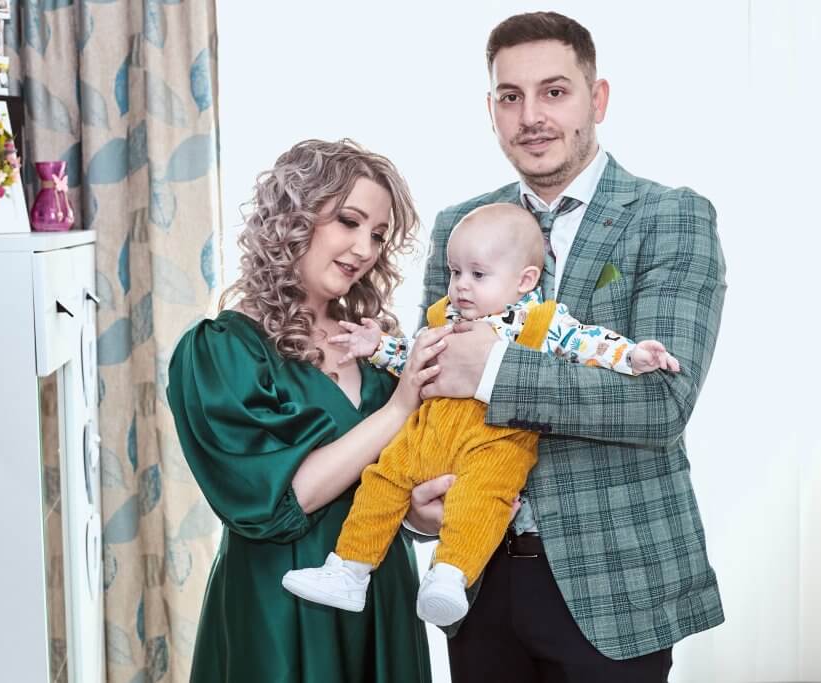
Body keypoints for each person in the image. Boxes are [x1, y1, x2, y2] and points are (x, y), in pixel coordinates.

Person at [405, 11, 727, 682]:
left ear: (596, 98)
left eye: (554, 91)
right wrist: (413, 504)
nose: (531, 117)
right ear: (491, 110)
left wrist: (491, 370)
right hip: (477, 579)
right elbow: (428, 386)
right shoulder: (459, 227)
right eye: (510, 96)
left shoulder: (670, 216)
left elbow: (661, 404)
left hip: (617, 586)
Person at [283, 202, 680, 628]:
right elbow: (417, 360)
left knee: (481, 499)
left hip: (497, 439)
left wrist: (632, 355)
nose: (461, 286)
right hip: (430, 433)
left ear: (524, 280)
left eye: (477, 274)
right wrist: (379, 347)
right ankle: (349, 570)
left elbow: (588, 343)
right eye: (455, 273)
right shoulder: (445, 316)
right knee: (382, 479)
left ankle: (450, 575)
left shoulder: (543, 322)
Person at [165, 139, 440, 683]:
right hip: (280, 607)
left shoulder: (376, 345)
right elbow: (286, 499)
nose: (364, 248)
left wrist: (423, 516)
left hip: (381, 594)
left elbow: (396, 480)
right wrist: (400, 407)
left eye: (378, 234)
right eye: (349, 221)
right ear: (293, 217)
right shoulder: (222, 350)